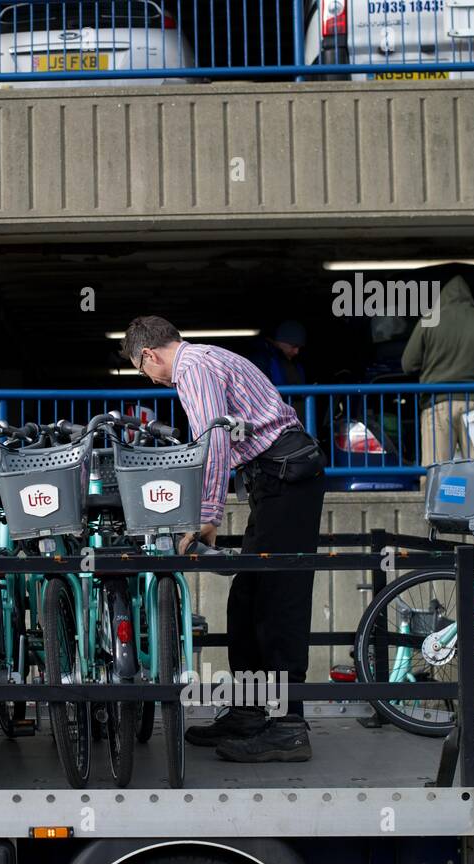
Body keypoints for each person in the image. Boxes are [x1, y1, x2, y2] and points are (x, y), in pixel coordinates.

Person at [124, 315, 326, 763]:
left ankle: (289, 727)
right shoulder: (208, 358)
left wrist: (205, 514)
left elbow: (212, 441)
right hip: (275, 480)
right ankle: (252, 711)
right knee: (247, 598)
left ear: (148, 355)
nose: (150, 379)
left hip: (285, 479)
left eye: (143, 370)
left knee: (280, 599)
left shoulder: (192, 369)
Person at [402, 275, 474, 474]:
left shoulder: (429, 320)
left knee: (435, 471)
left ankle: (432, 506)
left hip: (438, 404)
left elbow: (408, 364)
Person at [250, 321, 307, 386]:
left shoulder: (295, 361)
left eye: (299, 347)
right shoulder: (262, 359)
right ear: (280, 341)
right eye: (294, 346)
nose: (297, 352)